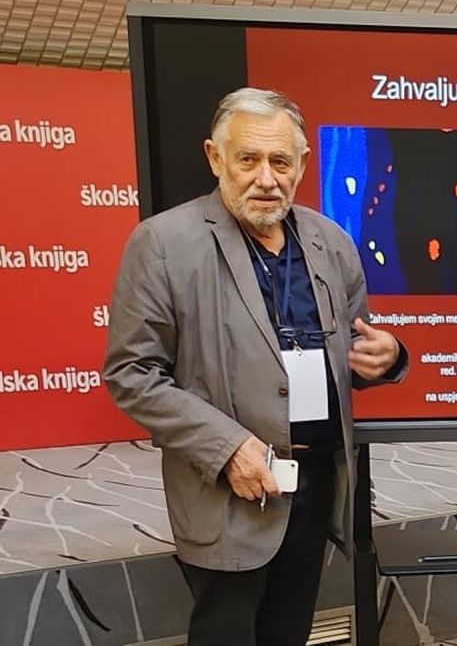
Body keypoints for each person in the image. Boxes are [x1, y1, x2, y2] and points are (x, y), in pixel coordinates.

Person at [103, 87, 407, 646]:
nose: (266, 178)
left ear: (303, 165)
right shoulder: (163, 243)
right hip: (228, 489)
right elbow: (132, 374)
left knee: (289, 633)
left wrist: (387, 358)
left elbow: (350, 352)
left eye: (280, 162)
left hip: (315, 484)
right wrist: (227, 449)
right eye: (248, 159)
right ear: (215, 157)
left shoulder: (332, 242)